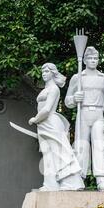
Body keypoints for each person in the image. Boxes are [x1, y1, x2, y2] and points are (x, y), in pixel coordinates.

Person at [65, 47, 104, 191]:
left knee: (100, 146)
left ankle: (101, 180)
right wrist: (74, 98)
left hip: (98, 114)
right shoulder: (77, 78)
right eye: (90, 58)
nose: (93, 61)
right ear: (85, 60)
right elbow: (67, 101)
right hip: (83, 113)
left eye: (95, 58)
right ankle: (79, 178)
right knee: (81, 146)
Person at [29, 63, 84, 191]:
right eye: (42, 71)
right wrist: (38, 121)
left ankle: (71, 182)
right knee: (47, 154)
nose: (44, 74)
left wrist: (35, 119)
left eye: (47, 71)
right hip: (43, 124)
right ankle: (50, 184)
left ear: (53, 73)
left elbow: (47, 109)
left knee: (60, 152)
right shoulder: (45, 89)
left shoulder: (54, 89)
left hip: (50, 123)